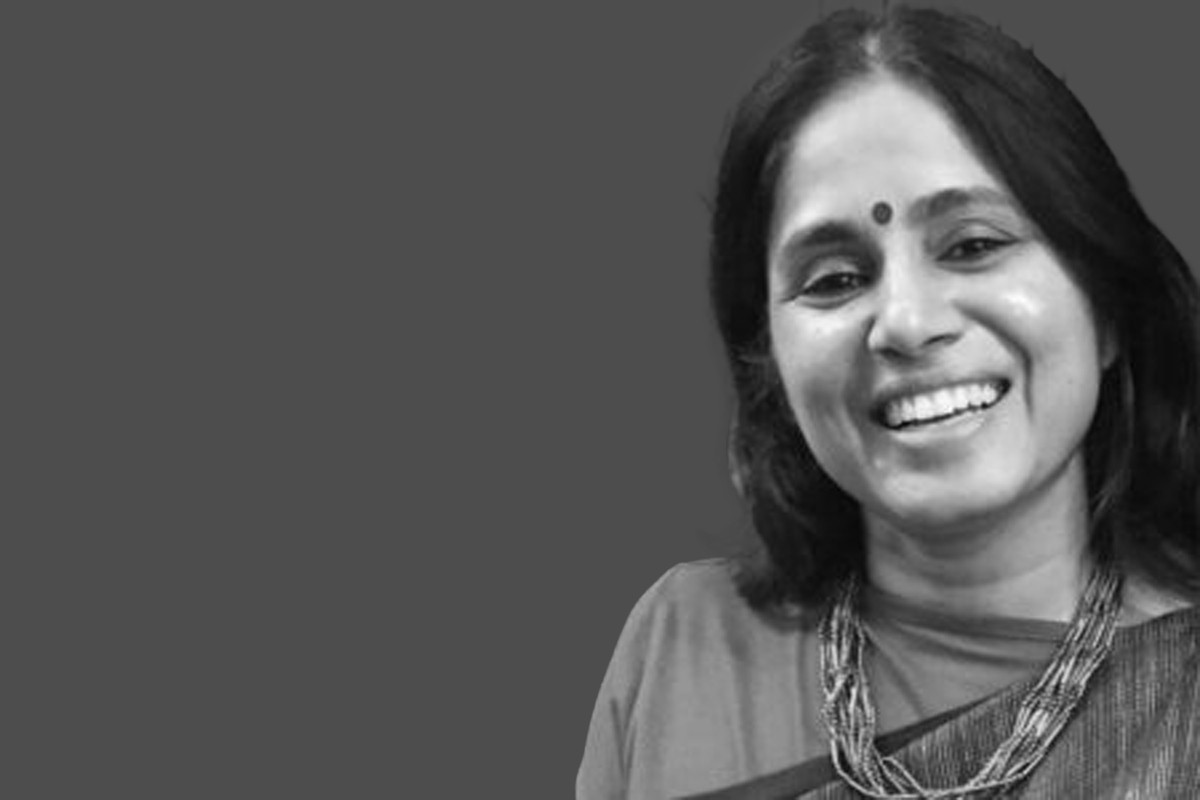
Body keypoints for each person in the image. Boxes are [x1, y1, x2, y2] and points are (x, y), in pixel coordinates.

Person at [577, 5, 1200, 799]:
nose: (906, 322)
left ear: (1106, 303)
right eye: (835, 279)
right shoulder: (684, 653)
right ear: (769, 357)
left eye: (973, 245)